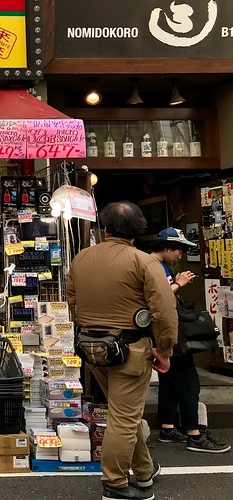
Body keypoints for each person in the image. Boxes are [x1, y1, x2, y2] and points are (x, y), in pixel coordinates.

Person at [67, 201, 178, 500]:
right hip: (130, 349)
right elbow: (164, 311)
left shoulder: (81, 258)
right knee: (125, 417)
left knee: (123, 413)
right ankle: (114, 483)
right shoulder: (144, 261)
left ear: (105, 227)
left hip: (92, 348)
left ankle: (144, 471)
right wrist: (164, 348)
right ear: (139, 229)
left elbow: (72, 303)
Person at [151, 228, 230, 453]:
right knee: (189, 382)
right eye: (179, 249)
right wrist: (179, 283)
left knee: (169, 380)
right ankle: (194, 434)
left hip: (165, 332)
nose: (180, 254)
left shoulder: (157, 265)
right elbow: (159, 298)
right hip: (168, 332)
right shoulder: (153, 266)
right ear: (166, 247)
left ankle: (167, 426)